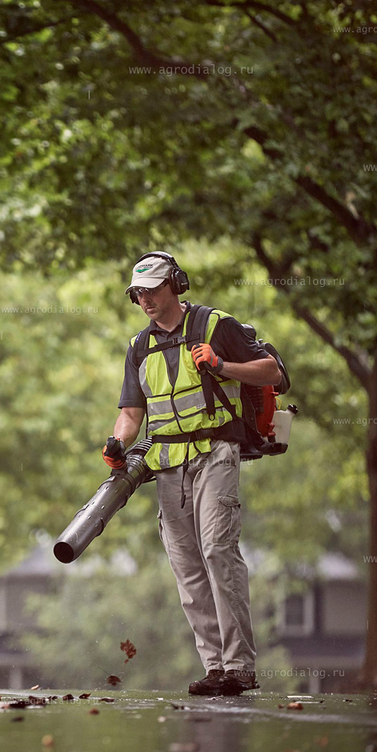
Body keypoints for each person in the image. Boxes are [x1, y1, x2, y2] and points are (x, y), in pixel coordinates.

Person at [103, 251, 282, 696]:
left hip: (217, 451)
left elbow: (273, 372)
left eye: (153, 289)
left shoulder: (214, 326)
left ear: (176, 285)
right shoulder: (138, 347)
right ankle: (216, 667)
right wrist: (118, 442)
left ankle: (240, 667)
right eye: (138, 293)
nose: (145, 299)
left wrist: (222, 366)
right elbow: (131, 412)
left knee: (219, 550)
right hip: (167, 464)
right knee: (187, 567)